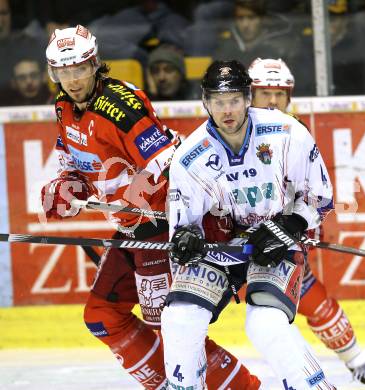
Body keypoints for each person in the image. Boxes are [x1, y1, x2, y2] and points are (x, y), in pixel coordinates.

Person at [40, 25, 260, 390]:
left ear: (94, 64)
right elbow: (73, 164)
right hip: (132, 232)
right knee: (102, 315)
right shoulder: (63, 107)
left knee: (176, 332)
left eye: (79, 69)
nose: (73, 79)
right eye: (63, 72)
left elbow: (170, 159)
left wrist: (134, 199)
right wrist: (63, 189)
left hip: (161, 228)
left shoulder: (121, 107)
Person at [161, 59, 336, 389]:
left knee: (266, 323)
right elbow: (183, 229)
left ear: (247, 98)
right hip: (220, 249)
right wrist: (186, 240)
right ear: (205, 102)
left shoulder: (287, 132)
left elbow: (320, 196)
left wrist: (291, 224)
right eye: (218, 102)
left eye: (234, 101)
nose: (227, 111)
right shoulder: (189, 156)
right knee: (181, 317)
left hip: (274, 242)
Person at [248, 57, 365, 390]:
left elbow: (314, 193)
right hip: (233, 242)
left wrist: (296, 224)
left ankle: (358, 362)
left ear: (290, 96)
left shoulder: (297, 133)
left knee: (309, 295)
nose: (271, 101)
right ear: (249, 94)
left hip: (279, 241)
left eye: (279, 94)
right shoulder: (233, 128)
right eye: (264, 92)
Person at [214, 0, 298, 68]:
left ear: (263, 19)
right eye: (240, 18)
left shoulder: (282, 48)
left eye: (251, 18)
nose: (245, 24)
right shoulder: (225, 48)